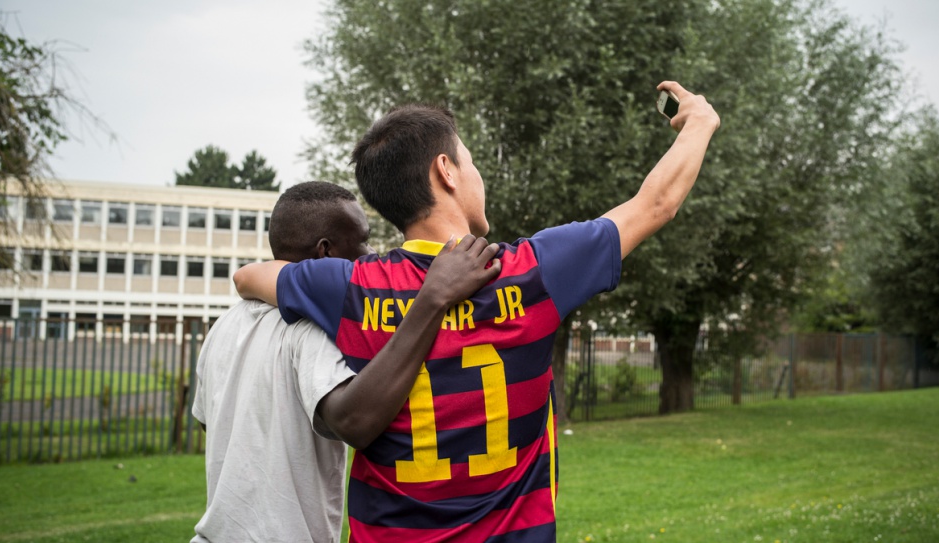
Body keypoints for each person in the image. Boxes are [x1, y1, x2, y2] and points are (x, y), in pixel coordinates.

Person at [235, 81, 720, 542]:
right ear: (446, 170)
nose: (476, 175)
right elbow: (656, 203)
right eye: (470, 162)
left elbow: (249, 276)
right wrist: (698, 120)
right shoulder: (533, 273)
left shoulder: (345, 287)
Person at [192, 181, 501, 542]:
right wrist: (431, 301)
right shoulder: (311, 328)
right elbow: (353, 421)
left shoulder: (226, 324)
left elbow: (209, 423)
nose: (371, 255)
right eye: (363, 241)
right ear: (325, 252)